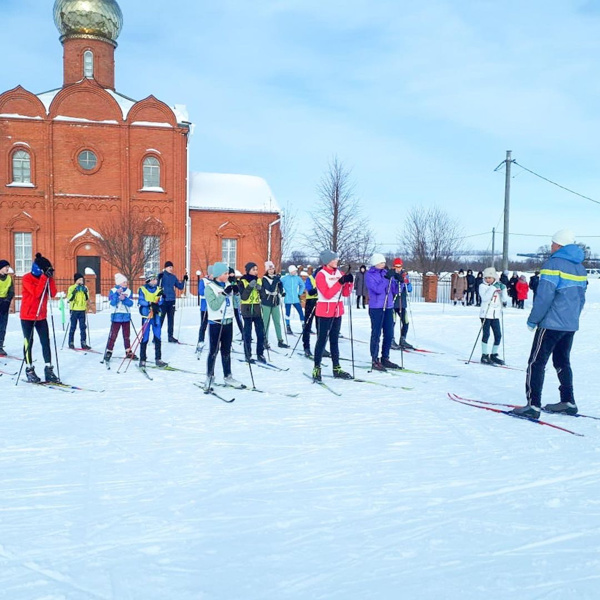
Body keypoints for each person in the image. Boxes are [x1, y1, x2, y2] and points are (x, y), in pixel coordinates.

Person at [511, 229, 587, 419]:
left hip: (551, 323)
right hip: (570, 324)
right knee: (562, 361)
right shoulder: (580, 267)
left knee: (536, 362)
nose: (551, 246)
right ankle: (568, 401)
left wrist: (533, 320)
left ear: (559, 245)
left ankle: (533, 405)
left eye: (553, 243)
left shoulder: (553, 264)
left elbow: (544, 297)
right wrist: (573, 317)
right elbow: (581, 298)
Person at [312, 250, 353, 382]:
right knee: (322, 339)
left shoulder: (339, 273)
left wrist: (349, 282)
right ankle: (317, 367)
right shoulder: (321, 275)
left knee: (334, 340)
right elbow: (327, 294)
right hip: (324, 310)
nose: (337, 261)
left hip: (337, 310)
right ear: (327, 261)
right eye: (334, 259)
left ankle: (336, 368)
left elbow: (345, 294)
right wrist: (340, 282)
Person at [20, 253, 59, 383]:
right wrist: (43, 278)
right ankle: (29, 369)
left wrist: (50, 279)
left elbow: (53, 293)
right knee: (28, 342)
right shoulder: (26, 278)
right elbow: (36, 294)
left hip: (41, 316)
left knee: (45, 342)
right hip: (28, 316)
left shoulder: (45, 279)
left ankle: (49, 368)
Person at [204, 262, 241, 390]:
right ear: (219, 274)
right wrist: (224, 294)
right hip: (216, 323)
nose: (227, 275)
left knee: (226, 351)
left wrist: (236, 294)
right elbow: (213, 305)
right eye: (225, 273)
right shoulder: (209, 287)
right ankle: (210, 376)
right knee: (213, 351)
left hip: (228, 322)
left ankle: (228, 376)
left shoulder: (228, 284)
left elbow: (235, 304)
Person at [365, 253, 401, 371]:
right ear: (375, 263)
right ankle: (375, 359)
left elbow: (394, 290)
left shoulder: (386, 273)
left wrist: (398, 280)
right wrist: (386, 279)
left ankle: (385, 357)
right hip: (377, 307)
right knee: (376, 333)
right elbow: (377, 290)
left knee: (389, 333)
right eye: (381, 263)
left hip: (388, 306)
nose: (383, 264)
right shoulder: (369, 275)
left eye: (384, 262)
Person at [478, 267, 508, 365]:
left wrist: (504, 290)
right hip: (485, 314)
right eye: (486, 278)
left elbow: (504, 300)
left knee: (498, 335)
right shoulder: (482, 286)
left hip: (495, 315)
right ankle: (484, 355)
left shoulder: (497, 286)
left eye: (490, 277)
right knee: (486, 334)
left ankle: (494, 354)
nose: (488, 279)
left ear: (494, 278)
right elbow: (485, 298)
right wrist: (493, 288)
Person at [104, 273, 136, 364]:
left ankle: (128, 351)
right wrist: (117, 297)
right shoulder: (113, 290)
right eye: (124, 282)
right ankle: (109, 351)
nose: (125, 283)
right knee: (113, 335)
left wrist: (124, 299)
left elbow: (131, 303)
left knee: (126, 335)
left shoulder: (129, 291)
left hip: (126, 315)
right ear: (119, 283)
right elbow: (112, 303)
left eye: (126, 282)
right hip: (116, 316)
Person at [138, 273, 167, 368]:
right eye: (153, 279)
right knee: (145, 337)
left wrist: (160, 299)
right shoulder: (142, 289)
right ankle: (142, 359)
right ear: (149, 280)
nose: (155, 281)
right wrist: (150, 303)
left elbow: (161, 301)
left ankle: (158, 359)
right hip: (146, 315)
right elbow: (141, 301)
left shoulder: (159, 289)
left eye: (156, 279)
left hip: (156, 316)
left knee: (158, 337)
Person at [239, 262, 265, 363]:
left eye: (256, 269)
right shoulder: (242, 281)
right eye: (253, 269)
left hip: (257, 309)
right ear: (248, 270)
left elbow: (263, 296)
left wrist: (260, 289)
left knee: (260, 333)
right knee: (248, 334)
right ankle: (248, 354)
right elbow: (243, 296)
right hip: (247, 309)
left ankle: (260, 353)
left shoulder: (259, 280)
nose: (255, 271)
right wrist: (249, 287)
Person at [158, 261, 188, 343]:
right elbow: (157, 286)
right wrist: (158, 279)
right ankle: (156, 336)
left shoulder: (173, 277)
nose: (171, 268)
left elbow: (180, 287)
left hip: (172, 300)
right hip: (163, 300)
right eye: (169, 267)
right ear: (165, 267)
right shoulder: (161, 276)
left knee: (171, 319)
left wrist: (184, 280)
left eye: (172, 267)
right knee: (161, 319)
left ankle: (170, 336)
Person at [261, 261, 288, 349]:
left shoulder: (276, 278)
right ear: (267, 270)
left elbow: (279, 288)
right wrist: (276, 280)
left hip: (275, 302)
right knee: (266, 322)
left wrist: (281, 291)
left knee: (277, 321)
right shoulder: (264, 278)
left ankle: (280, 340)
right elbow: (271, 289)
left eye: (272, 268)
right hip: (266, 302)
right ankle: (265, 340)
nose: (271, 270)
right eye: (269, 269)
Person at [389, 257, 413, 350]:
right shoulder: (391, 274)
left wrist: (407, 283)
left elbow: (410, 289)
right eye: (396, 266)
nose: (398, 268)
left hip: (402, 303)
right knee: (392, 322)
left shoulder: (405, 275)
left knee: (406, 322)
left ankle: (403, 339)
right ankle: (391, 340)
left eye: (400, 266)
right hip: (393, 303)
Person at [67, 272, 91, 350]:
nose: (81, 281)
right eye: (80, 279)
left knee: (83, 327)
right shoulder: (71, 288)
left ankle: (83, 342)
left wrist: (85, 292)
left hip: (82, 310)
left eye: (82, 279)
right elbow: (69, 299)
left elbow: (87, 298)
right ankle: (71, 342)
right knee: (73, 326)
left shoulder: (85, 288)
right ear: (76, 280)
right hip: (74, 310)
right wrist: (74, 292)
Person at [282, 265, 305, 334]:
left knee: (300, 312)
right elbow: (278, 284)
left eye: (295, 271)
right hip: (288, 299)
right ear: (290, 271)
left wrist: (299, 293)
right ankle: (288, 326)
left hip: (295, 298)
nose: (294, 272)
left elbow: (302, 285)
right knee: (287, 313)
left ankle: (303, 325)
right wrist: (282, 292)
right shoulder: (285, 278)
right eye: (293, 271)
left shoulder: (297, 278)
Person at [301, 269, 318, 357]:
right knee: (307, 325)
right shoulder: (310, 278)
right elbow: (310, 291)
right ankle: (306, 347)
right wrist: (318, 288)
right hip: (311, 302)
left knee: (320, 327)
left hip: (321, 303)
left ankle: (321, 348)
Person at [0, 259, 14, 356]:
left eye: (8, 267)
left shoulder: (9, 278)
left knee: (3, 326)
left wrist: (7, 301)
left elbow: (11, 291)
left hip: (4, 303)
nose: (8, 269)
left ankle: (0, 346)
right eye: (6, 267)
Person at [196, 267, 209, 352]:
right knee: (203, 325)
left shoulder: (216, 281)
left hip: (214, 307)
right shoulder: (203, 281)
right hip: (205, 307)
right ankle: (200, 341)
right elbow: (201, 292)